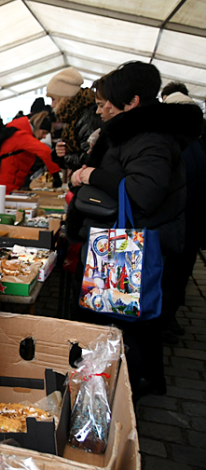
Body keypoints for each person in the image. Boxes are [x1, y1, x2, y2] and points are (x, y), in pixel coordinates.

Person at [68, 61, 203, 398]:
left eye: (105, 103)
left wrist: (90, 175)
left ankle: (134, 383)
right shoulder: (139, 134)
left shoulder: (150, 139)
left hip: (131, 244)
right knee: (136, 319)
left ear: (132, 102)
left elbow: (142, 192)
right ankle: (142, 378)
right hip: (132, 241)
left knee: (129, 320)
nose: (100, 111)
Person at [159, 92, 206, 345]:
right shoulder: (192, 144)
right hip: (188, 225)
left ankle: (166, 321)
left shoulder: (179, 146)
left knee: (173, 278)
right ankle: (168, 320)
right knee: (176, 277)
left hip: (183, 225)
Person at [0, 113, 62, 193]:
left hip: (4, 183)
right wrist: (55, 173)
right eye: (44, 132)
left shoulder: (20, 133)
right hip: (1, 185)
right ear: (37, 128)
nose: (44, 137)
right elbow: (45, 151)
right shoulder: (22, 136)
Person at [47, 67, 101, 171]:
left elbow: (89, 157)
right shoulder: (75, 116)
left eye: (54, 99)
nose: (52, 105)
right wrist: (58, 153)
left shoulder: (89, 116)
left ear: (66, 97)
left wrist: (64, 157)